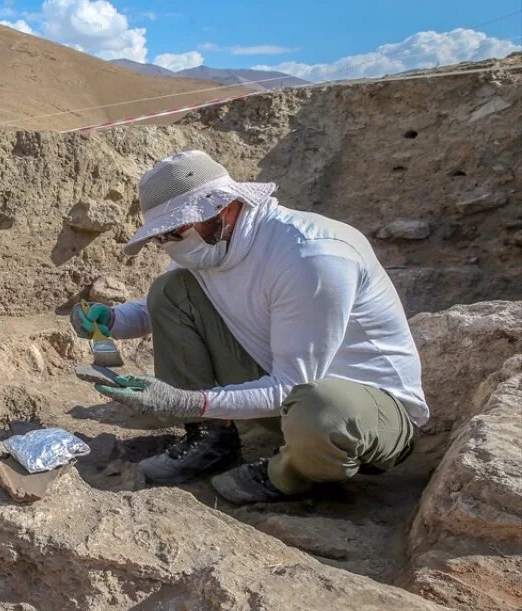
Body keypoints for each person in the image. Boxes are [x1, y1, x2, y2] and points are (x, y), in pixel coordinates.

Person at [72, 149, 427, 504]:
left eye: (174, 231)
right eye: (158, 237)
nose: (166, 245)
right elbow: (156, 309)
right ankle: (211, 441)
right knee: (171, 289)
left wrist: (186, 401)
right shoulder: (212, 245)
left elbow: (293, 385)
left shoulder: (310, 257)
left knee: (322, 408)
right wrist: (111, 321)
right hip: (287, 404)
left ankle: (289, 475)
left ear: (223, 207)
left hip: (363, 422)